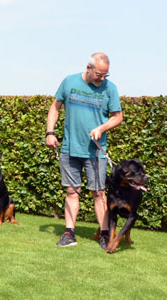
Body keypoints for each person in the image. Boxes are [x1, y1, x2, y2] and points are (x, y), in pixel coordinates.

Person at [45, 53, 123, 249]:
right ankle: (69, 233)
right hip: (69, 148)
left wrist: (101, 128)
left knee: (99, 193)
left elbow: (117, 117)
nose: (102, 78)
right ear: (88, 68)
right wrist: (50, 132)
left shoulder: (110, 88)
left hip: (95, 151)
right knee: (71, 191)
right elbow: (55, 108)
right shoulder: (69, 82)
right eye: (99, 74)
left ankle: (105, 234)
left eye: (106, 74)